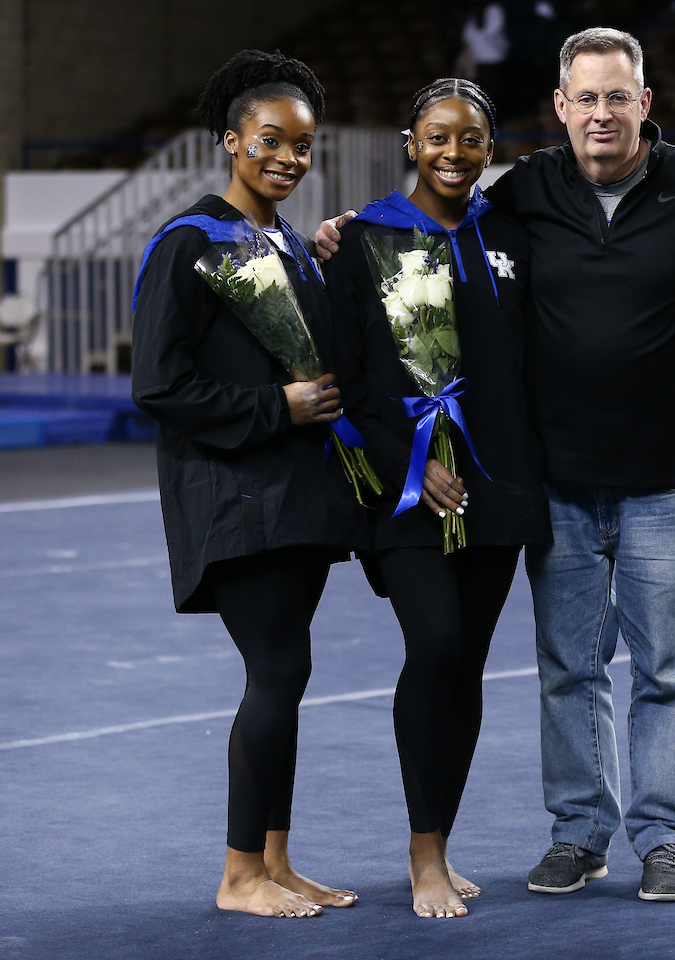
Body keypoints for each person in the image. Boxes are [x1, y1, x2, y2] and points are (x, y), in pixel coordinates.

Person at [314, 27, 675, 903]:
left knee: (667, 671)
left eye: (616, 97)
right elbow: (440, 221)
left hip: (668, 478)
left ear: (644, 103)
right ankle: (579, 833)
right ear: (560, 107)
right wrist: (352, 232)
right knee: (569, 671)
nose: (601, 114)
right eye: (585, 98)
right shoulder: (525, 191)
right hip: (556, 481)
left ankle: (663, 838)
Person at [130, 50, 361, 919]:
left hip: (298, 496)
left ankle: (275, 862)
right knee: (278, 669)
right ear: (232, 140)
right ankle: (237, 876)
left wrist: (334, 263)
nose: (288, 158)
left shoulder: (287, 244)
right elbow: (158, 384)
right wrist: (276, 407)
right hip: (234, 494)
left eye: (302, 145)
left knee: (287, 676)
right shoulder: (189, 242)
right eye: (271, 139)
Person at [323, 78, 551, 918]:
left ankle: (442, 844)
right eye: (438, 137)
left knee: (466, 665)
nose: (454, 153)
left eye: (472, 139)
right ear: (410, 143)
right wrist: (408, 468)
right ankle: (422, 852)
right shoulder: (365, 238)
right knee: (435, 644)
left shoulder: (514, 234)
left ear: (491, 148)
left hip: (496, 485)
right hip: (404, 493)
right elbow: (344, 378)